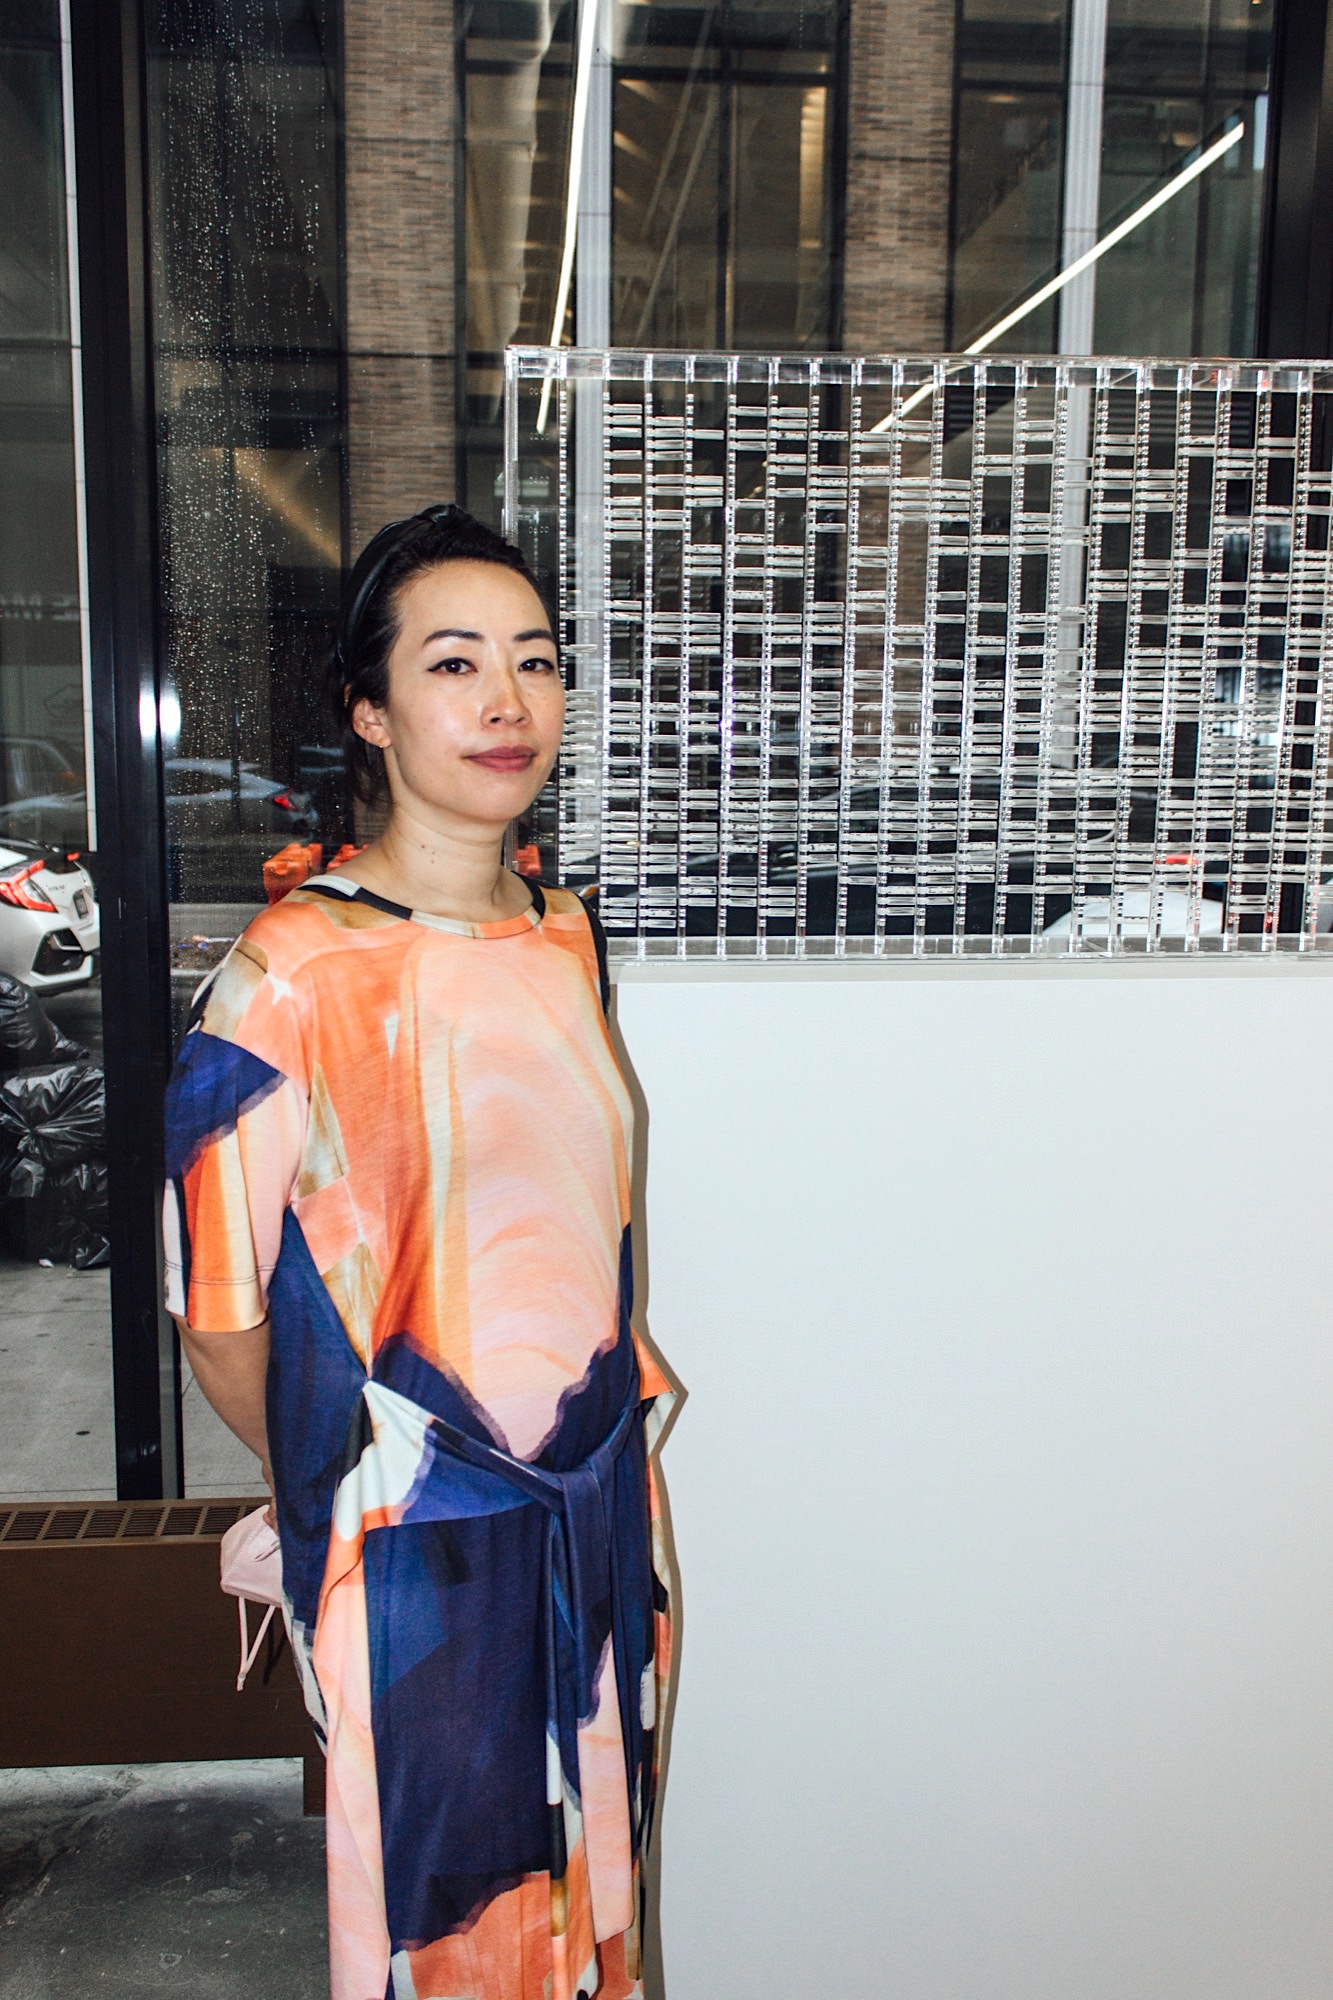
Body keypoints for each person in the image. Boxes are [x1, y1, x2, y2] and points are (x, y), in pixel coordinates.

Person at [163, 504, 674, 2000]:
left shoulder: (563, 930)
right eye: (455, 664)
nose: (507, 702)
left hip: (597, 1512)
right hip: (416, 1549)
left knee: (595, 1922)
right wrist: (343, 1501)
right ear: (372, 713)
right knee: (455, 1948)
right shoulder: (291, 973)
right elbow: (218, 1311)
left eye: (535, 661)